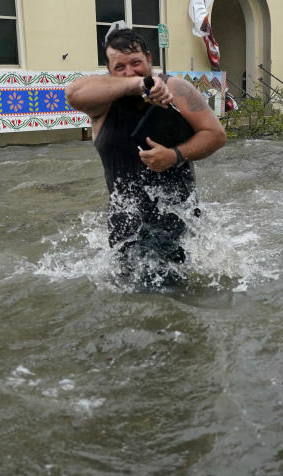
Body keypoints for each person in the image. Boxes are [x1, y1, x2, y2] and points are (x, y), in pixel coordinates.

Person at [65, 23, 227, 286]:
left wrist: (174, 155)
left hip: (175, 217)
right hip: (124, 224)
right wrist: (136, 84)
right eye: (120, 67)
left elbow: (215, 134)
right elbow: (72, 94)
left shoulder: (177, 89)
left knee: (171, 298)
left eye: (136, 63)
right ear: (108, 71)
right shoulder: (102, 104)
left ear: (149, 59)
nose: (129, 70)